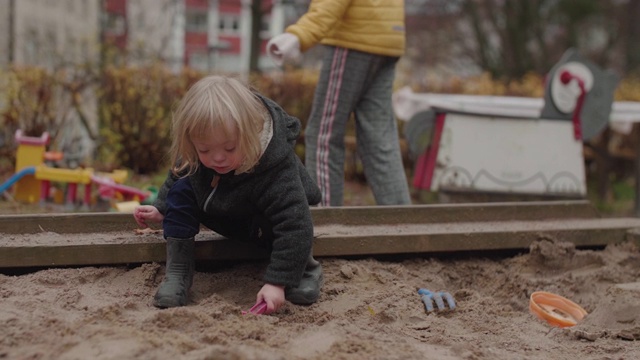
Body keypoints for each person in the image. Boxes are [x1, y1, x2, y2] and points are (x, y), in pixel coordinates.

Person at [133, 75, 323, 314]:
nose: (217, 158)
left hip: (263, 222)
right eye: (204, 150)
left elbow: (296, 225)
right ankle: (178, 273)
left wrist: (276, 283)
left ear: (251, 132)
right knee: (182, 188)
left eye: (230, 148)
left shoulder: (276, 169)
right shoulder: (202, 146)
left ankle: (306, 270)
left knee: (290, 217)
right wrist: (162, 208)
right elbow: (179, 171)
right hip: (228, 212)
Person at [266, 0, 412, 207]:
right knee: (380, 139)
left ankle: (327, 221)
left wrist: (299, 35)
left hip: (354, 39)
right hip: (388, 38)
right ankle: (403, 222)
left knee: (324, 135)